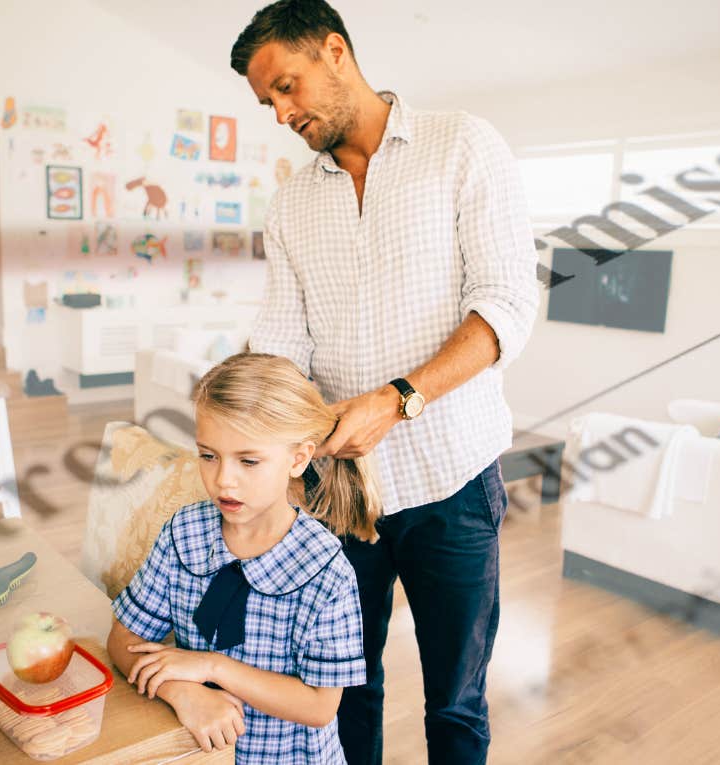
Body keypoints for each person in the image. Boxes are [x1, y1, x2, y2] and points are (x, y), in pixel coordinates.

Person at [230, 1, 540, 762]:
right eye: (269, 100)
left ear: (336, 51)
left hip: (453, 485)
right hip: (340, 496)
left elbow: (504, 305)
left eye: (288, 87)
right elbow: (280, 340)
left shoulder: (462, 145)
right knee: (344, 691)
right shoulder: (292, 203)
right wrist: (241, 423)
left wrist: (399, 398)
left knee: (456, 705)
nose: (281, 112)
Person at [107, 352, 383, 764]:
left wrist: (213, 668)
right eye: (208, 455)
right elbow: (123, 639)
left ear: (298, 458)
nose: (223, 480)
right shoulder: (183, 532)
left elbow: (319, 706)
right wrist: (181, 691)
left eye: (248, 461)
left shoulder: (327, 572)